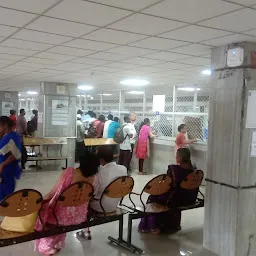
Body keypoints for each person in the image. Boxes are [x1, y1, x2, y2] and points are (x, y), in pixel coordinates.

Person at [34, 152, 100, 255]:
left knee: (43, 210)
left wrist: (39, 202)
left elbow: (53, 193)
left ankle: (46, 246)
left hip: (59, 217)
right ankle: (55, 242)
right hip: (79, 216)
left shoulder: (70, 172)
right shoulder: (94, 178)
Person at [138, 148, 200, 234]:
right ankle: (173, 225)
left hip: (176, 199)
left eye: (177, 155)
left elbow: (167, 185)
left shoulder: (174, 169)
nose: (176, 157)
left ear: (180, 157)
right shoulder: (194, 170)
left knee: (154, 197)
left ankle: (154, 225)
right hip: (190, 198)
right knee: (161, 196)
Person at [90, 145, 127, 213]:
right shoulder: (123, 168)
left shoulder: (99, 172)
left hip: (99, 205)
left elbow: (94, 193)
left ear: (101, 160)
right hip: (115, 203)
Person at [0, 116, 22, 201]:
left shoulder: (11, 137)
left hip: (6, 171)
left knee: (5, 196)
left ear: (5, 125)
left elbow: (16, 155)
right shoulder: (7, 136)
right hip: (5, 171)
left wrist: (3, 165)